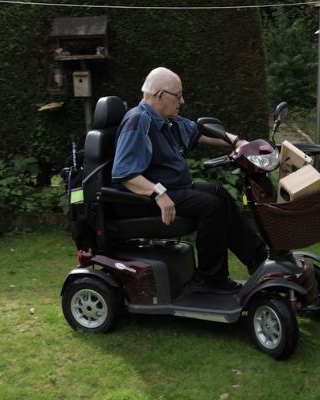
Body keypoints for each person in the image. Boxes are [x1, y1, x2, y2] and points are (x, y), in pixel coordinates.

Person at [111, 67, 267, 294]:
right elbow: (124, 172)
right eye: (178, 95)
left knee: (218, 193)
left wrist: (238, 142)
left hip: (174, 189)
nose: (182, 101)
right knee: (210, 206)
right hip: (147, 198)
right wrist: (159, 194)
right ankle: (211, 280)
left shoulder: (168, 120)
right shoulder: (138, 121)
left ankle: (259, 259)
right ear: (160, 95)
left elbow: (200, 132)